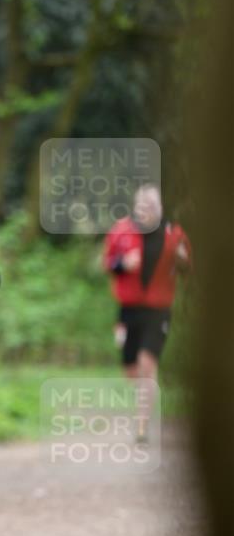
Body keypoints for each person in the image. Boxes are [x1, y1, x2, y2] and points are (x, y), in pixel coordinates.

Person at [103, 184, 191, 442]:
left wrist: (182, 259)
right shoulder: (121, 231)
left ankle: (142, 425)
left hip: (158, 310)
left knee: (147, 363)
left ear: (160, 207)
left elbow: (187, 270)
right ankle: (142, 404)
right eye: (143, 206)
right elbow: (107, 263)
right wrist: (122, 263)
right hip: (128, 310)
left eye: (152, 206)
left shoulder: (174, 234)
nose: (147, 211)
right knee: (131, 369)